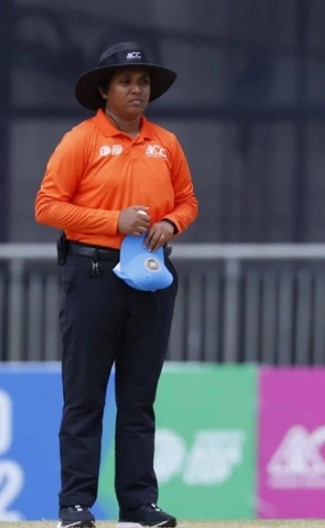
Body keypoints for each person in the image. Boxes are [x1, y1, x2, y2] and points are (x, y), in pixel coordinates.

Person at [34, 42, 198, 528]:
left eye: (143, 82)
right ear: (104, 91)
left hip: (151, 276)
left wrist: (170, 223)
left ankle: (138, 503)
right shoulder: (81, 140)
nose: (136, 89)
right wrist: (114, 221)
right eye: (125, 81)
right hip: (93, 275)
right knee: (85, 394)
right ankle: (75, 504)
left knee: (139, 398)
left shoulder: (166, 143)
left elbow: (188, 201)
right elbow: (47, 206)